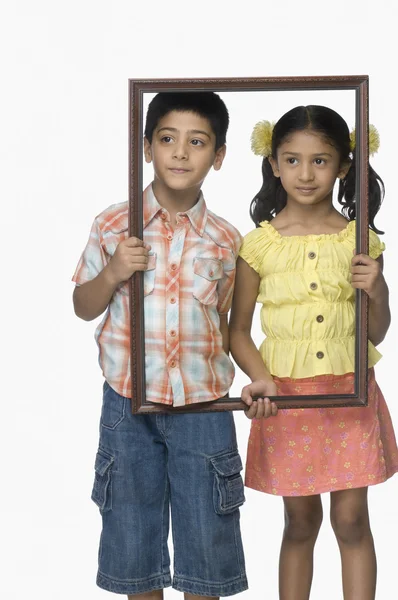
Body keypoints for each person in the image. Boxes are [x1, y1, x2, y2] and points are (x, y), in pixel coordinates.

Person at [72, 92, 258, 599]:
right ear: (147, 146)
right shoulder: (113, 224)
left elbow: (228, 324)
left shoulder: (226, 239)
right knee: (133, 539)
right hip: (128, 403)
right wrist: (113, 272)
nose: (180, 152)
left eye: (197, 142)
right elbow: (83, 305)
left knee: (207, 537)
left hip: (203, 406)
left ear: (217, 156)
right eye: (168, 139)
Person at [229, 105, 398, 600]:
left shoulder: (360, 240)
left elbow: (378, 333)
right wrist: (262, 379)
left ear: (344, 165)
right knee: (301, 521)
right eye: (293, 160)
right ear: (274, 164)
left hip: (349, 392)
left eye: (321, 161)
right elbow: (237, 330)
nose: (306, 173)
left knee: (351, 520)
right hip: (287, 398)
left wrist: (377, 294)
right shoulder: (258, 246)